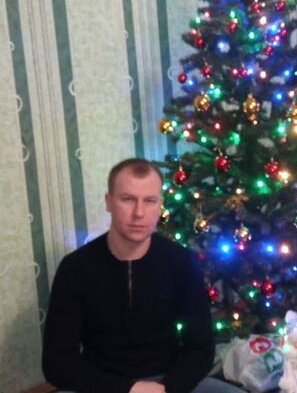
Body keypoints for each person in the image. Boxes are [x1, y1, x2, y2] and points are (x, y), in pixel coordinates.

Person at [42, 158, 245, 393]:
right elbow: (56, 363)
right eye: (128, 199)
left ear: (160, 204)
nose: (139, 213)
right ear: (109, 202)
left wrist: (164, 388)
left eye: (149, 201)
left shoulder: (181, 261)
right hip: (100, 385)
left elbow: (200, 349)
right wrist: (129, 389)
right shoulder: (76, 268)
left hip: (167, 383)